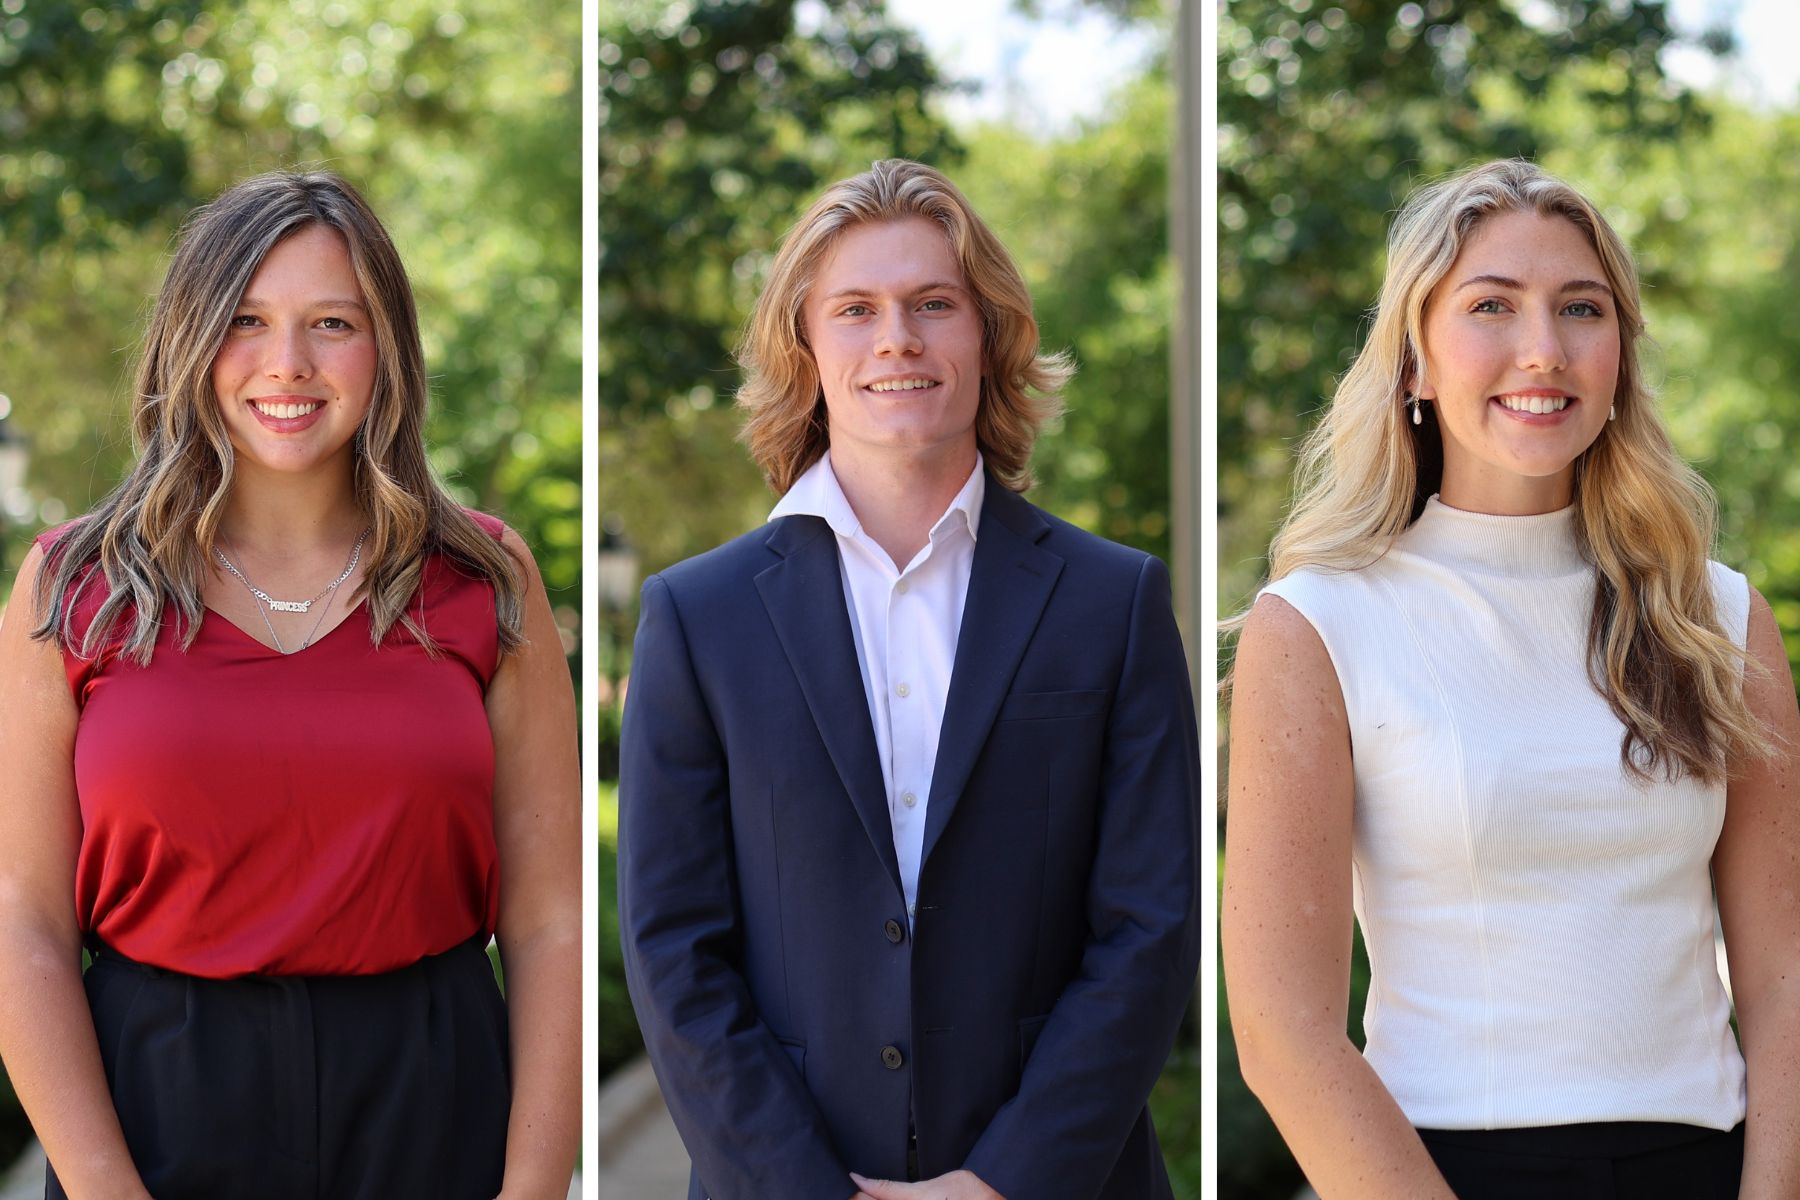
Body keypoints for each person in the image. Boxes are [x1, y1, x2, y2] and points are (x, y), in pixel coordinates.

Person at [617, 158, 1202, 1200]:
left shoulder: (1111, 602)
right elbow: (673, 949)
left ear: (991, 336)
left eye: (935, 303)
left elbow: (1151, 930)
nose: (898, 338)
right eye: (856, 309)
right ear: (805, 345)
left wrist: (1001, 1183)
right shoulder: (697, 619)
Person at [1222, 158, 1800, 1199]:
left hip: (1708, 1166)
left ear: (1619, 353)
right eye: (1492, 305)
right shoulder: (1318, 625)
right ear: (1414, 363)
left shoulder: (1719, 618)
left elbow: (1785, 977)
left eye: (1581, 308)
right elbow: (1281, 1032)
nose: (1544, 349)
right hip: (1437, 1172)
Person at [0, 170, 580, 1199]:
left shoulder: (486, 579)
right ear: (190, 341)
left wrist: (532, 1189)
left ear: (386, 347)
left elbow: (548, 919)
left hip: (432, 1097)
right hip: (157, 1101)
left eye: (332, 323)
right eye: (247, 321)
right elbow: (22, 920)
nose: (288, 364)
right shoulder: (72, 587)